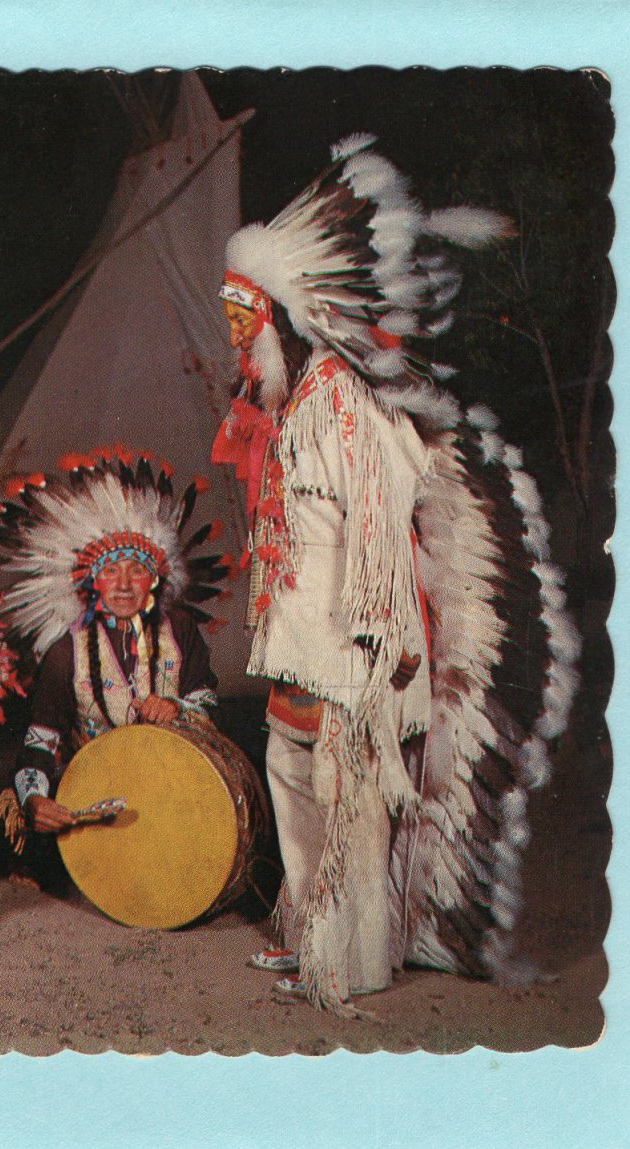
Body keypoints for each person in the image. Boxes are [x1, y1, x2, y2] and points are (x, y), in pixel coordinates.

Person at [211, 134, 578, 1014]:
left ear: (279, 317)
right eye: (229, 319)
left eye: (241, 320)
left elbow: (380, 510)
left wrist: (379, 629)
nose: (232, 336)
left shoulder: (340, 396)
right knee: (289, 767)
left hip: (350, 629)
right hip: (299, 629)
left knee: (346, 790)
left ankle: (352, 953)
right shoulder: (290, 399)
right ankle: (308, 925)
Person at [0, 449, 226, 841]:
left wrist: (176, 706)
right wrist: (34, 799)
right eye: (110, 571)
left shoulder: (180, 629)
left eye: (136, 570)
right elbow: (39, 742)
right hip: (100, 788)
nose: (123, 585)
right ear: (93, 582)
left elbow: (206, 698)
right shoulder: (66, 651)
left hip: (177, 779)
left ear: (155, 579)